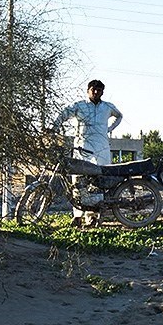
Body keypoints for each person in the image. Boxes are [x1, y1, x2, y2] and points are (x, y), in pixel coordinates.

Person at [52, 79, 123, 226]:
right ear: (88, 90)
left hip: (102, 148)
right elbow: (64, 114)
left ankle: (93, 216)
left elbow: (119, 116)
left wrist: (109, 129)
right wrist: (54, 128)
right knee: (79, 181)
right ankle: (78, 215)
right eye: (93, 89)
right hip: (82, 147)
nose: (96, 92)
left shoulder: (107, 107)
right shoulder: (80, 106)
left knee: (99, 182)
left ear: (103, 91)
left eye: (99, 89)